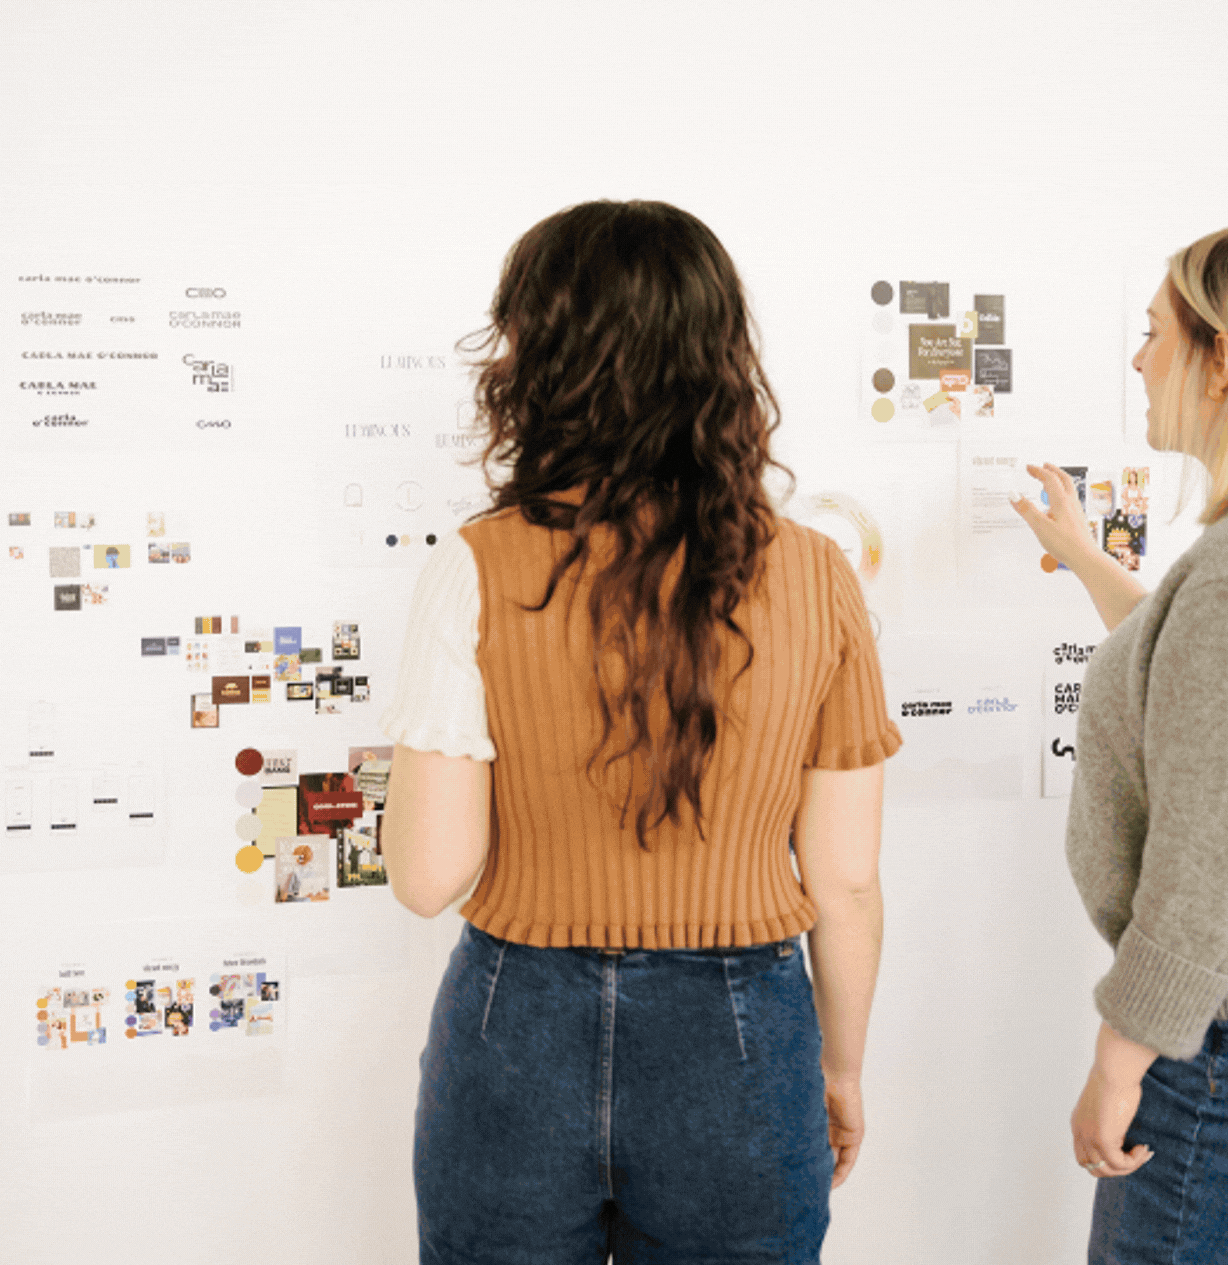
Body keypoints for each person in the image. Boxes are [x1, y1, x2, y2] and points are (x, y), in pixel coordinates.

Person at [379, 200, 902, 1263]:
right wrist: (837, 1068)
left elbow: (430, 875)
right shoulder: (815, 573)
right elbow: (843, 880)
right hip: (748, 1038)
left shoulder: (476, 563)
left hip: (514, 1027)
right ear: (721, 357)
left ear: (542, 360)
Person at [1010, 226, 1228, 1262]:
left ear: (1220, 357)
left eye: (1154, 333)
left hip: (1203, 1054)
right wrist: (1086, 560)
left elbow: (1207, 858)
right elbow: (1180, 683)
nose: (1139, 358)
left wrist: (1122, 1057)